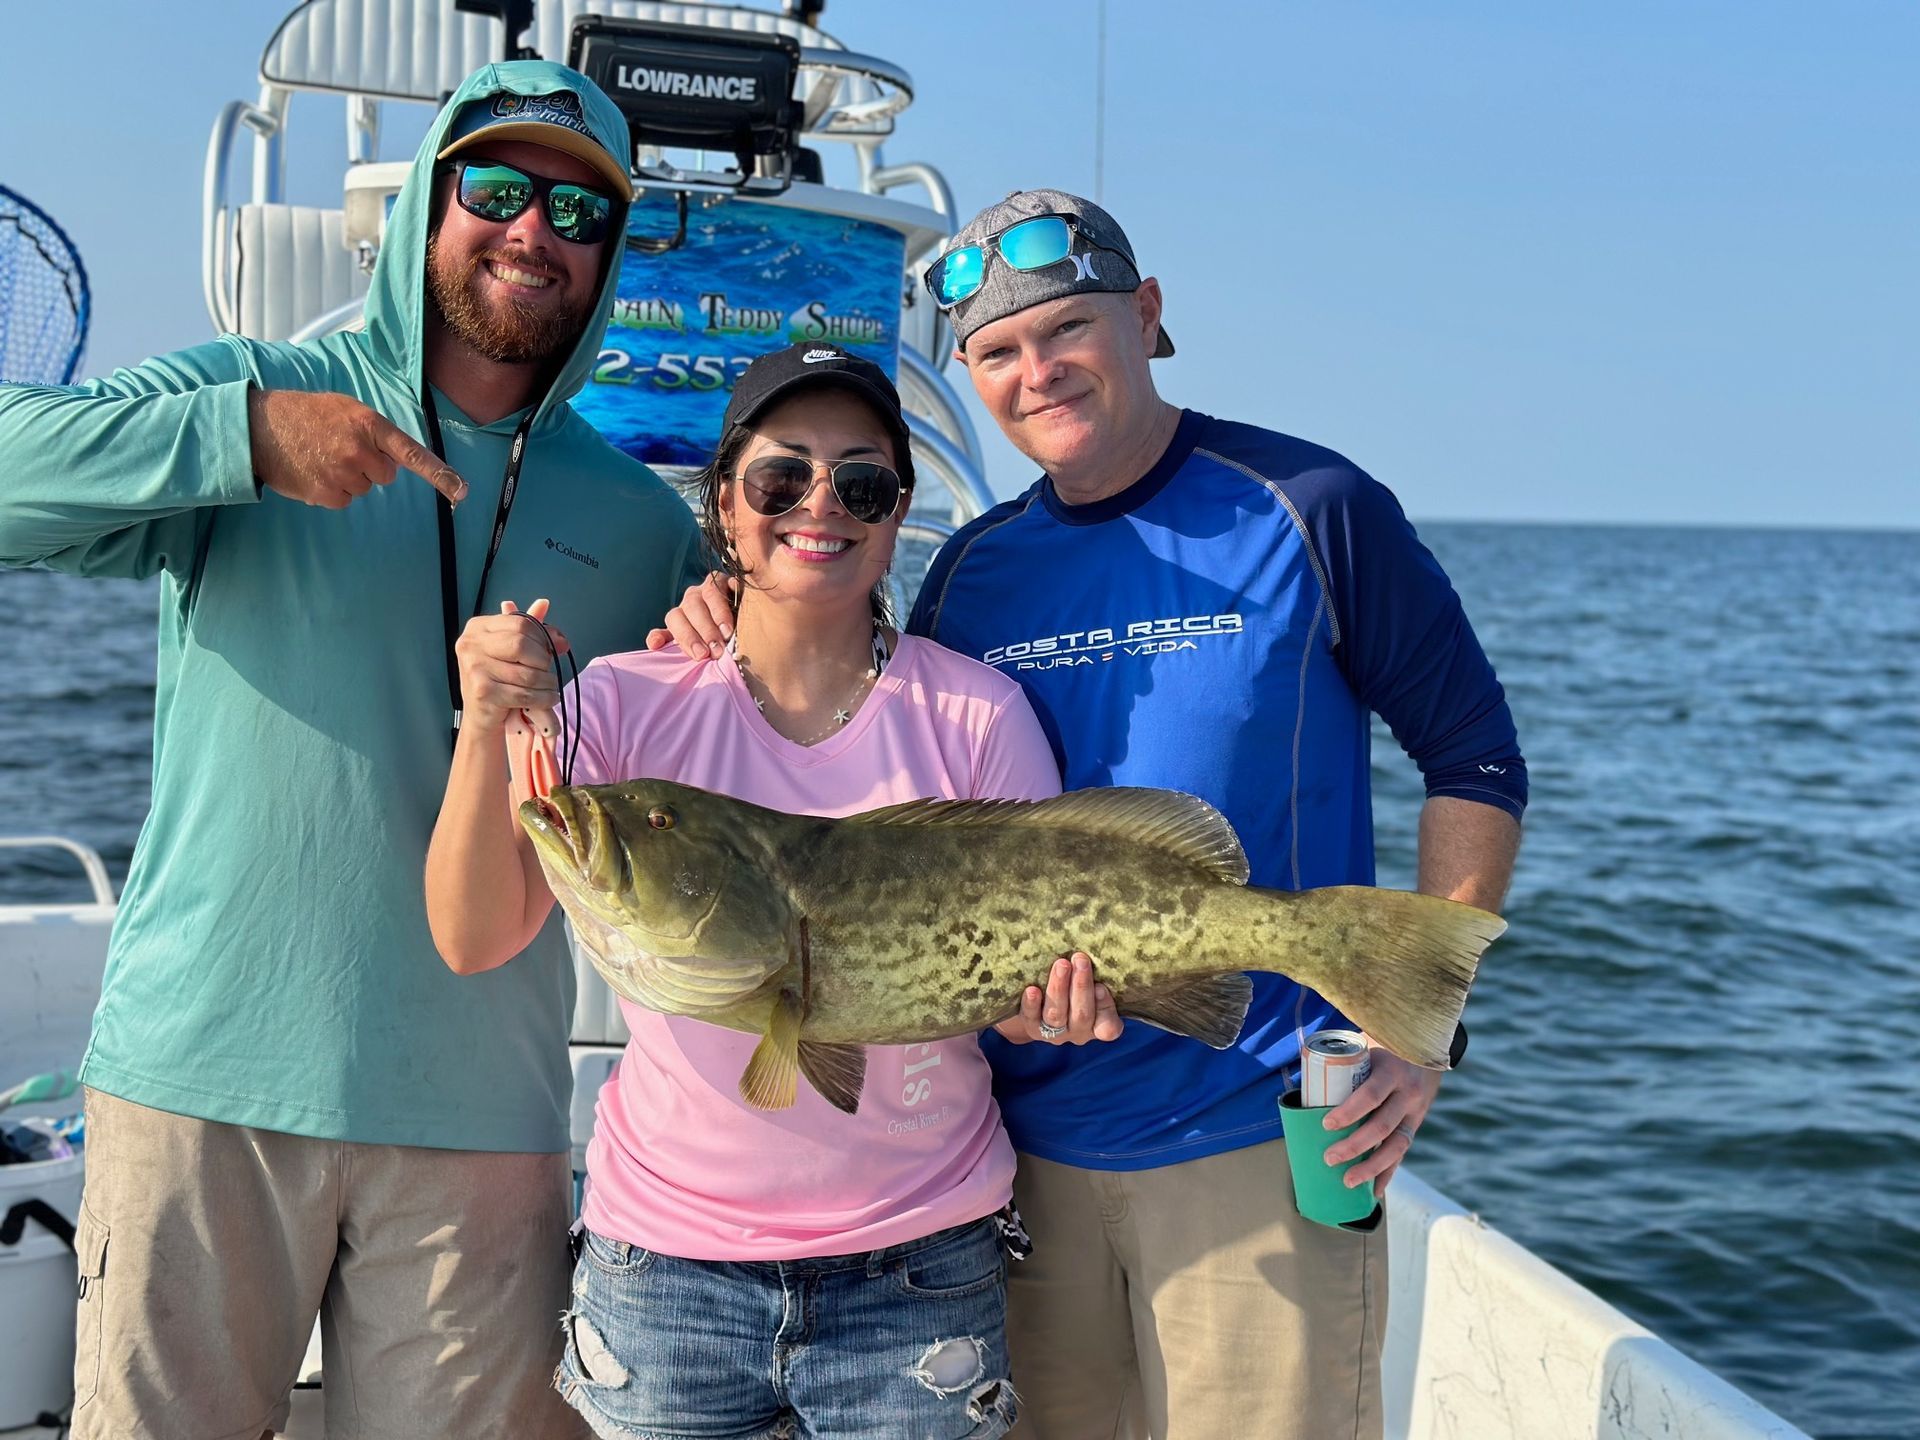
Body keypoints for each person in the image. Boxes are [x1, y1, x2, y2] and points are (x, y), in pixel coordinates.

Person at [656, 190, 1528, 1440]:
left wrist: (1421, 1037)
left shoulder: (1310, 505)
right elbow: (867, 761)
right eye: (998, 352)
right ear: (969, 373)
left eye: (1068, 329)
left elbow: (1476, 757)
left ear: (1149, 316)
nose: (1037, 371)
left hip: (1259, 1139)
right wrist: (717, 611)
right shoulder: (972, 568)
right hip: (1016, 1163)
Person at [0, 62, 704, 1439]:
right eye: (494, 189)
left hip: (482, 1116)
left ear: (608, 258)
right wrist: (243, 436)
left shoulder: (640, 523)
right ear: (430, 202)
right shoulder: (261, 389)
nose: (532, 230)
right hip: (200, 1083)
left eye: (578, 210)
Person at [425, 342, 1103, 1440]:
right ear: (726, 508)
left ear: (894, 517)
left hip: (918, 1269)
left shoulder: (978, 716)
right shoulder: (624, 705)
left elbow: (1039, 959)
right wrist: (486, 729)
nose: (818, 505)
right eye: (780, 477)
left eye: (862, 482)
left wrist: (1056, 1006)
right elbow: (473, 934)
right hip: (666, 1273)